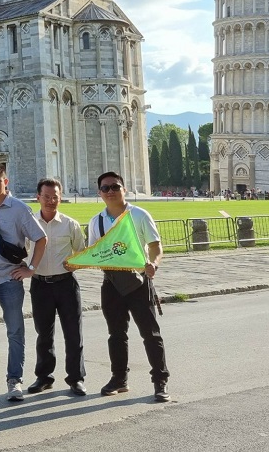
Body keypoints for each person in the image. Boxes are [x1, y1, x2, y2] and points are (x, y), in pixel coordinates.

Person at [88, 171, 170, 402]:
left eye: (115, 186)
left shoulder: (139, 215)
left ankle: (160, 381)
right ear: (100, 193)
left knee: (150, 334)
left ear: (124, 189)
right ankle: (119, 379)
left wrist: (153, 264)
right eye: (106, 188)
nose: (111, 191)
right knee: (116, 334)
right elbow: (95, 252)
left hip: (138, 281)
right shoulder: (97, 221)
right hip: (111, 283)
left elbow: (155, 246)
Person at [0, 164, 47, 402]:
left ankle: (15, 380)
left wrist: (30, 269)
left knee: (15, 331)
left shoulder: (19, 209)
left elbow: (41, 238)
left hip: (9, 278)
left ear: (6, 181)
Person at [28, 178, 87, 397]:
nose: (51, 201)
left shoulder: (70, 224)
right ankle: (44, 377)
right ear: (38, 197)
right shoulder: (30, 223)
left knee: (73, 333)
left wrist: (74, 262)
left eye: (55, 197)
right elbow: (24, 252)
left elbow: (81, 251)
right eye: (47, 196)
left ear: (60, 197)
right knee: (44, 334)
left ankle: (76, 378)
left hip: (66, 284)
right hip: (40, 284)